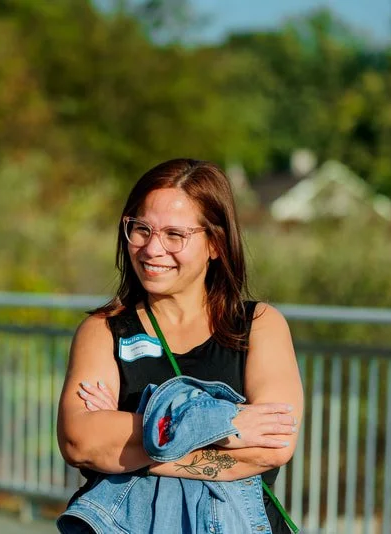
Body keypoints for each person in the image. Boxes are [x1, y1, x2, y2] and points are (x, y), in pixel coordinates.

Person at [57, 158, 304, 533]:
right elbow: (80, 441)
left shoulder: (259, 326)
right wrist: (227, 424)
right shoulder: (103, 331)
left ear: (215, 244)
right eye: (141, 229)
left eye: (175, 235)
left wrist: (135, 443)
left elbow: (274, 446)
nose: (152, 249)